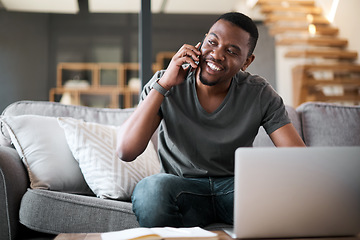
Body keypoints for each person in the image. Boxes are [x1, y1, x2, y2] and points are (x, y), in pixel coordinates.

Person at [116, 12, 305, 228]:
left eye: (231, 51)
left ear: (247, 62)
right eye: (212, 42)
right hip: (182, 189)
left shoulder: (260, 93)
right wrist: (164, 85)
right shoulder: (165, 83)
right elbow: (125, 151)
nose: (216, 54)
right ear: (202, 41)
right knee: (150, 191)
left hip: (235, 190)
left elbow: (299, 161)